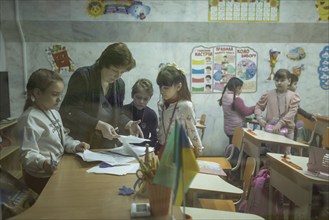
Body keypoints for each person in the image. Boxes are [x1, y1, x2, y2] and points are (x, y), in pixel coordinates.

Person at [17, 69, 90, 194]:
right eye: (55, 94)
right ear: (38, 93)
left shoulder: (54, 113)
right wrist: (43, 163)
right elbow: (27, 154)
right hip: (40, 177)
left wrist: (75, 145)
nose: (59, 99)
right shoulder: (29, 119)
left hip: (56, 169)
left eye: (60, 94)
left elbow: (62, 138)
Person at [59, 42, 143, 149]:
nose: (118, 76)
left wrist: (129, 123)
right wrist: (98, 124)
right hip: (78, 143)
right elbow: (70, 111)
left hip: (105, 144)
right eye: (114, 70)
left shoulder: (119, 85)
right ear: (103, 63)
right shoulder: (83, 76)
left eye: (122, 72)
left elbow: (118, 113)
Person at [156, 63, 203, 158]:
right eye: (160, 87)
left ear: (178, 87)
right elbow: (161, 127)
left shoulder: (185, 106)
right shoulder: (161, 104)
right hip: (162, 148)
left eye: (166, 88)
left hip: (180, 150)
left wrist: (198, 149)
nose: (161, 91)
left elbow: (192, 129)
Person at [255, 69, 300, 154]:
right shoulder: (268, 94)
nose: (279, 83)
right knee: (271, 154)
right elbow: (258, 106)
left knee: (284, 156)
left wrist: (280, 123)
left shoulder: (293, 96)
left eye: (282, 80)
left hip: (287, 130)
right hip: (271, 129)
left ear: (289, 81)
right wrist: (259, 118)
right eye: (277, 80)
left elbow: (292, 112)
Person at [121, 78, 158, 148]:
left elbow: (154, 138)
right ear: (132, 95)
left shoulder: (152, 115)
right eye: (138, 97)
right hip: (123, 150)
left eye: (145, 99)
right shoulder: (122, 111)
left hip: (143, 151)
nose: (141, 101)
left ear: (150, 98)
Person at [218, 77, 255, 144]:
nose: (241, 91)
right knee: (236, 149)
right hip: (236, 129)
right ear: (235, 88)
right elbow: (245, 112)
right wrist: (255, 107)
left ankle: (230, 154)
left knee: (232, 147)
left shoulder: (225, 96)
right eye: (239, 88)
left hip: (228, 128)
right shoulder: (236, 99)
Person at [289, 73, 317, 141]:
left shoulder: (294, 96)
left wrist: (309, 116)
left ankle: (292, 150)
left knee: (292, 140)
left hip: (292, 124)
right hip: (286, 125)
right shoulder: (283, 96)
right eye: (295, 84)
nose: (296, 86)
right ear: (288, 84)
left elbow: (297, 109)